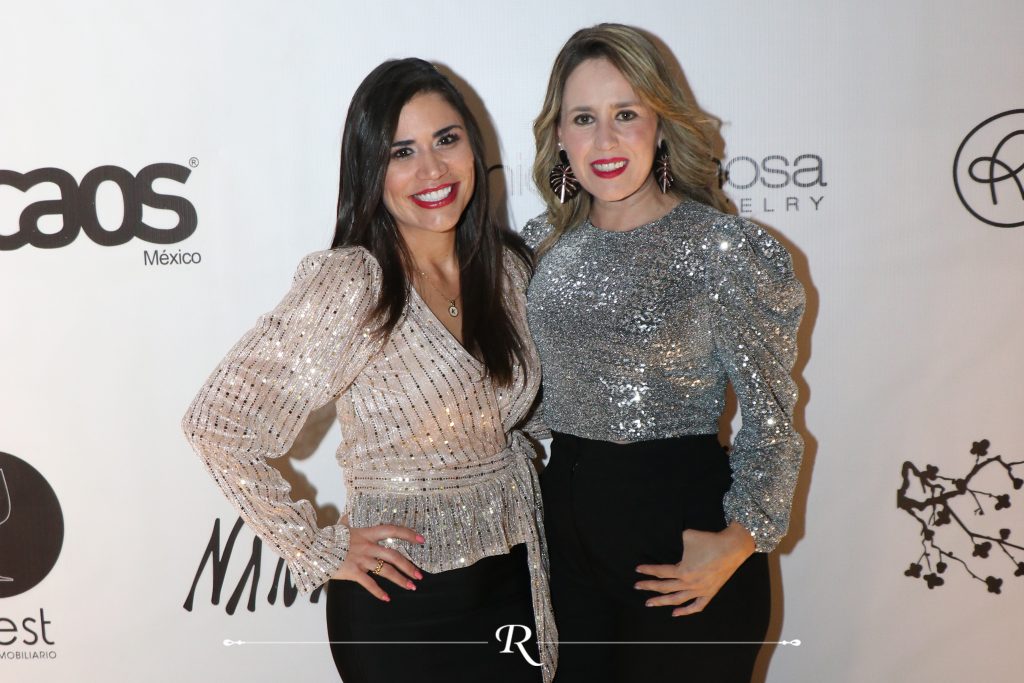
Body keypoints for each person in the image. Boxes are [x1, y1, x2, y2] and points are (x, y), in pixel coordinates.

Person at [182, 58, 555, 683]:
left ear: (473, 147)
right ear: (369, 170)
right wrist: (316, 546)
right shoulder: (354, 284)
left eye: (446, 139)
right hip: (400, 602)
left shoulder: (509, 271)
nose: (432, 169)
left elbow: (525, 418)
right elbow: (217, 423)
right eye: (401, 152)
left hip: (513, 583)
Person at [521, 24, 805, 683]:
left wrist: (740, 540)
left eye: (626, 114)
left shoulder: (720, 248)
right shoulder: (538, 250)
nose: (605, 141)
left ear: (660, 123)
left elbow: (771, 416)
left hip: (684, 556)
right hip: (567, 558)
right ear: (559, 135)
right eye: (584, 119)